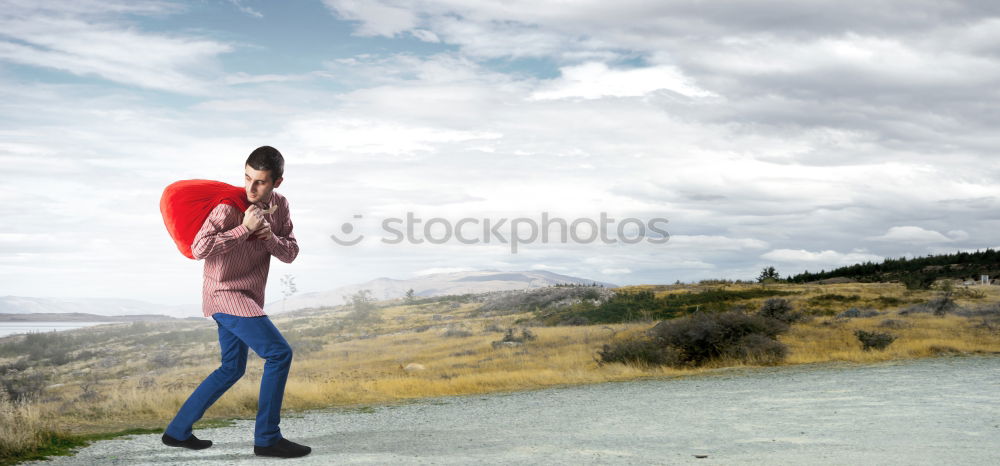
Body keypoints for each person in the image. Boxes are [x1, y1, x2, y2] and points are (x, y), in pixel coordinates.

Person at [161, 146, 310, 458]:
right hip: (223, 294)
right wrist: (245, 229)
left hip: (250, 296)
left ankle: (177, 432)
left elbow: (291, 253)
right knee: (279, 354)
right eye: (247, 178)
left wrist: (268, 236)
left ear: (277, 183)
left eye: (260, 182)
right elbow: (200, 248)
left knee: (232, 367)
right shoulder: (228, 208)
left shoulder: (280, 206)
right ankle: (267, 439)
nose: (251, 188)